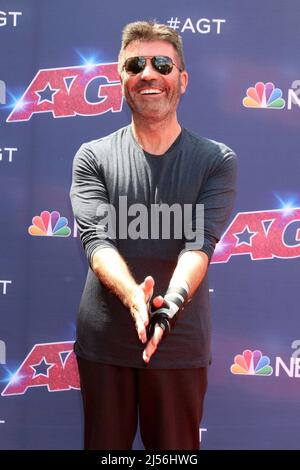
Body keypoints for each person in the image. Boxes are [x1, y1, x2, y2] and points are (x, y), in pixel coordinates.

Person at [70, 20, 237, 450]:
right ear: (120, 78)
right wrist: (132, 295)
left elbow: (200, 244)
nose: (148, 73)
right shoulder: (93, 156)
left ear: (182, 79)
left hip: (179, 343)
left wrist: (168, 307)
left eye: (162, 63)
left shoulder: (215, 160)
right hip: (106, 342)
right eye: (134, 65)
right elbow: (96, 241)